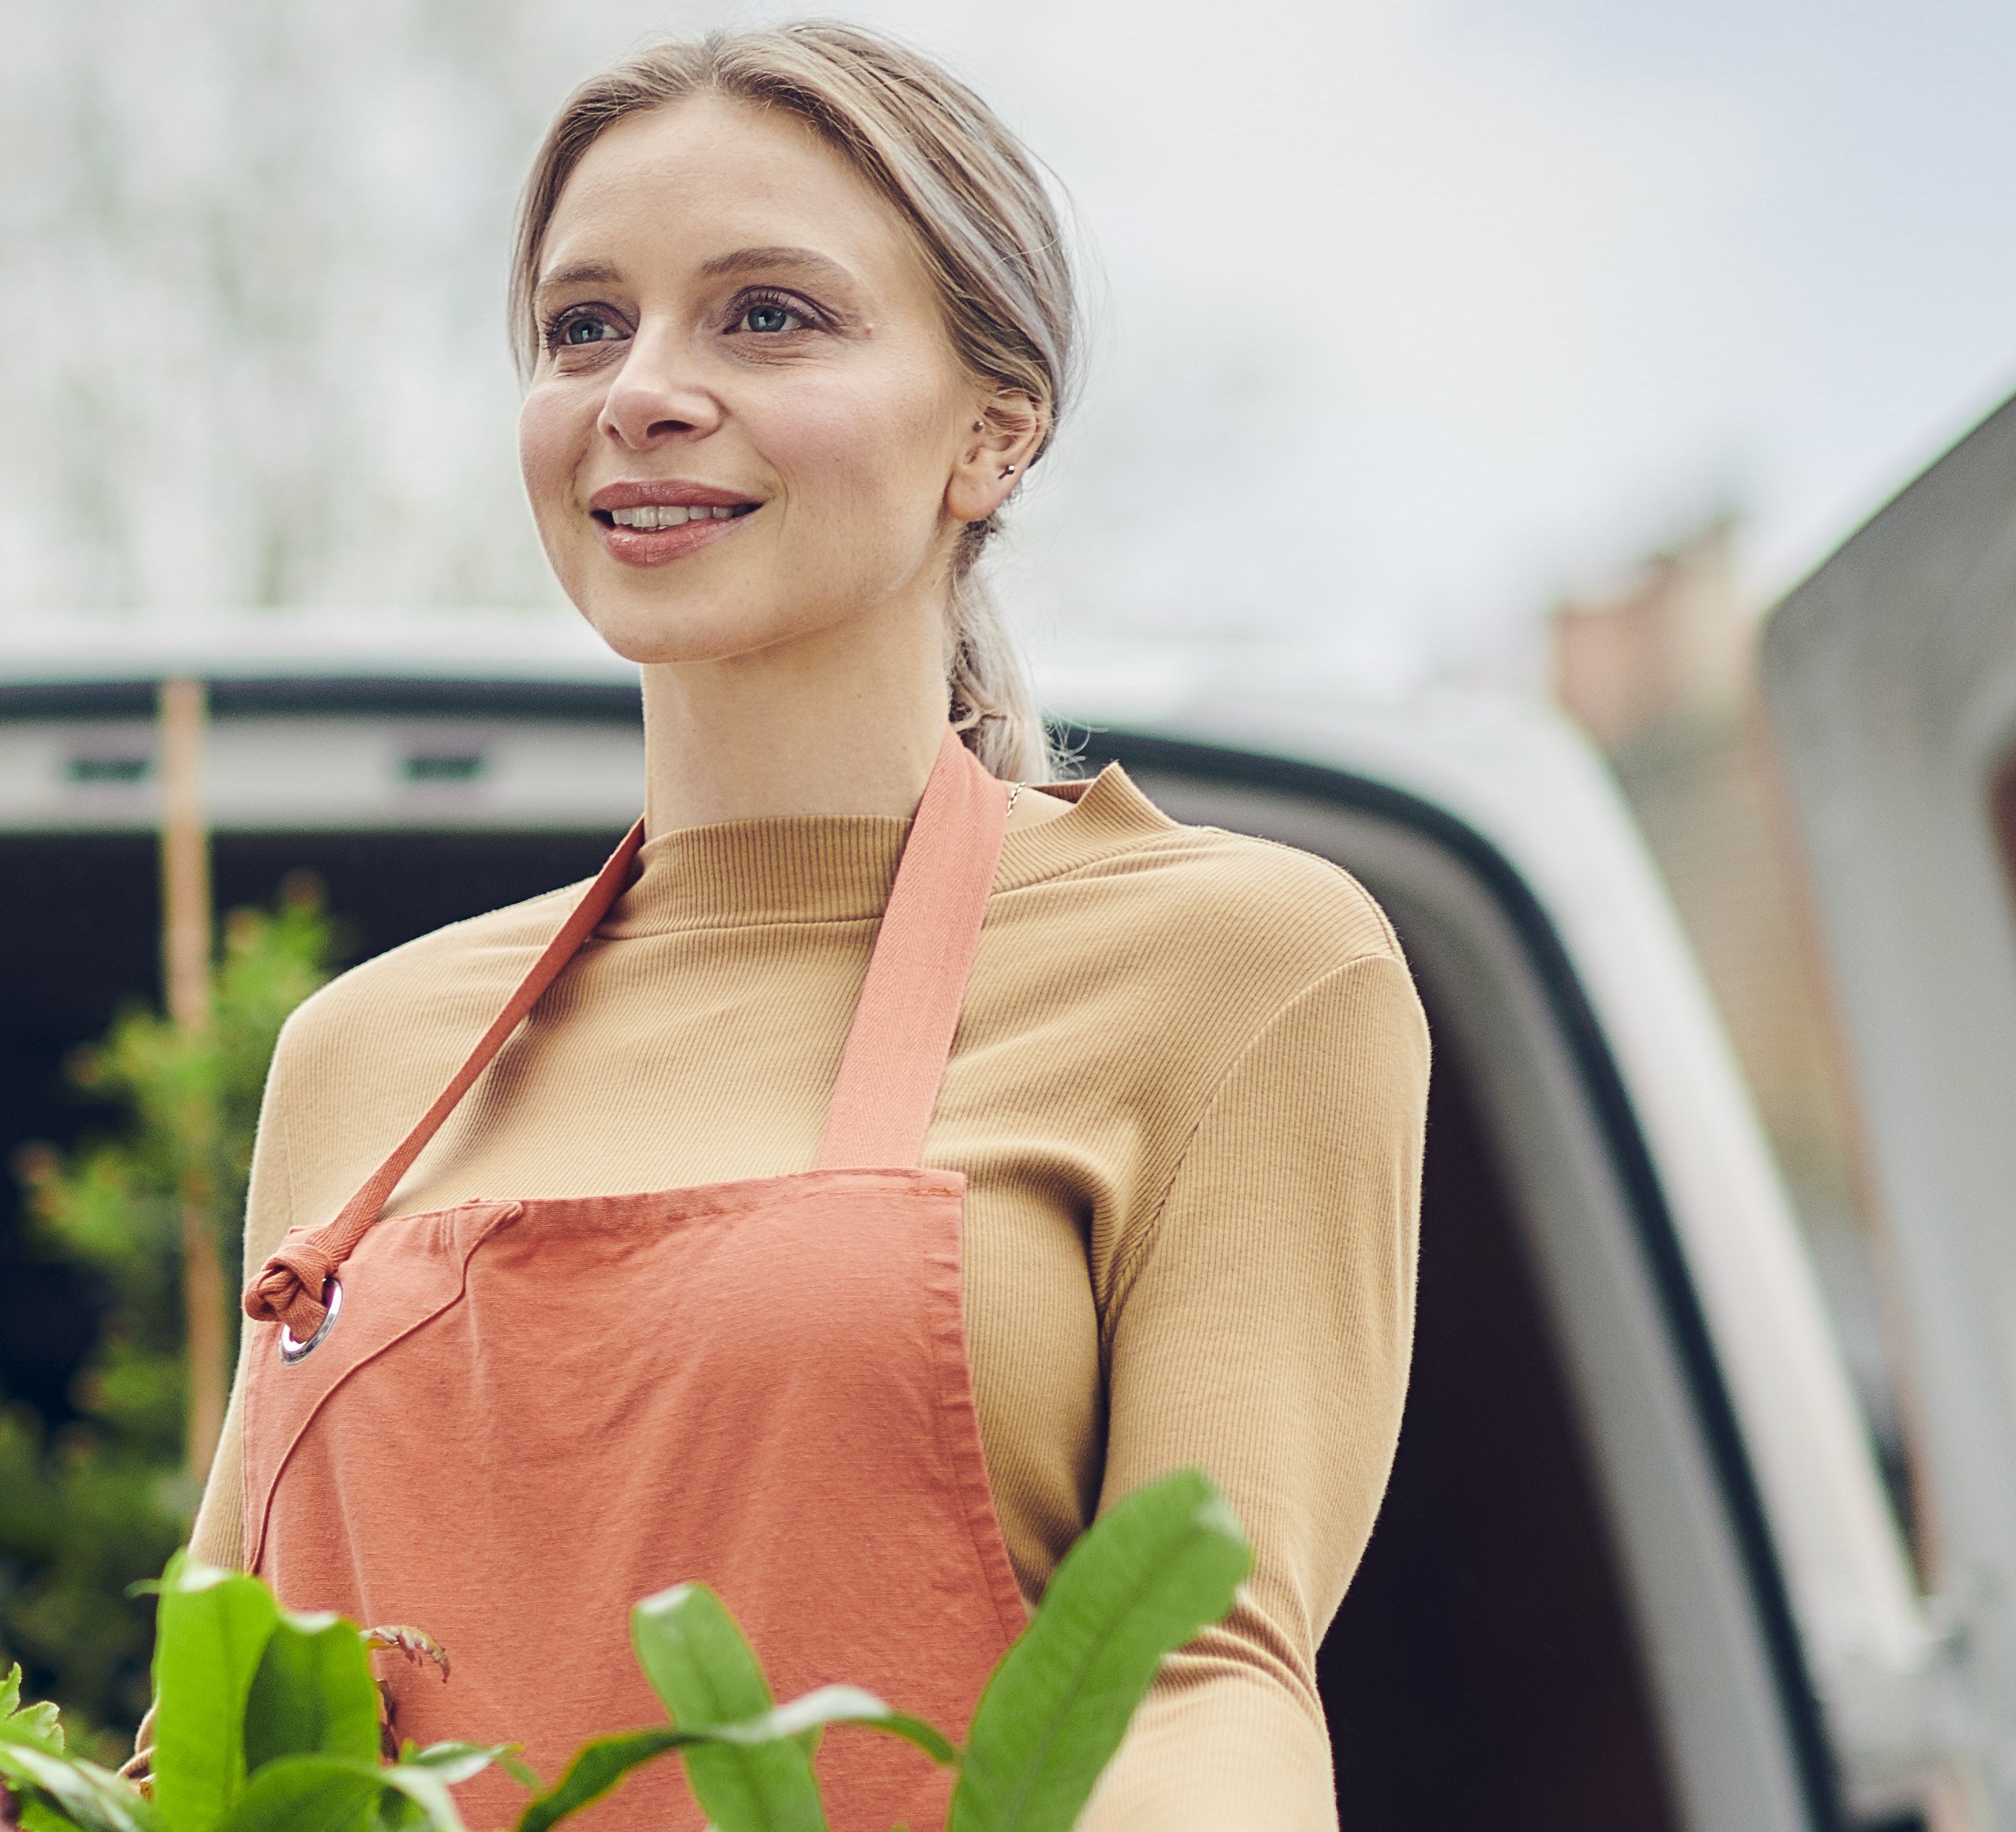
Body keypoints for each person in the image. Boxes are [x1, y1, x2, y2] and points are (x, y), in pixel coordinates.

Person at [179, 23, 1427, 1830]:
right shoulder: (368, 1054)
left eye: (765, 315)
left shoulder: (1238, 967)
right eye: (583, 326)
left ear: (994, 431)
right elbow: (221, 1748)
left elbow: (1199, 1681)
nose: (642, 389)